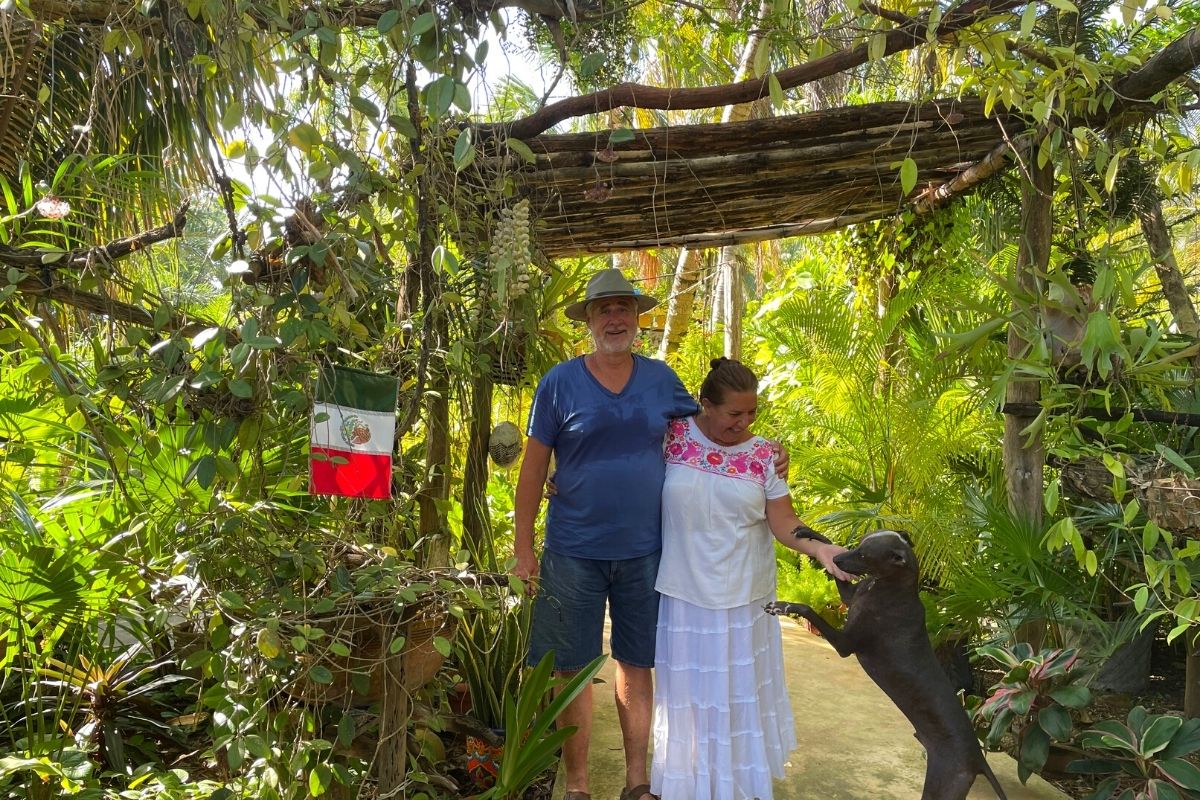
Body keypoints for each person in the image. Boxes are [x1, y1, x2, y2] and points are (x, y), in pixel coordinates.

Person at [512, 268, 786, 800]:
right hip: (573, 550)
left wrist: (768, 449)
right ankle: (577, 786)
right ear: (588, 319)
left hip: (646, 551)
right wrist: (524, 550)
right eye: (603, 308)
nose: (615, 318)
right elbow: (531, 469)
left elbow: (716, 427)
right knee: (571, 670)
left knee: (636, 664)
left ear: (637, 317)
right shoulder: (559, 383)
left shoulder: (661, 379)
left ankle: (638, 782)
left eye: (624, 308)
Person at [651, 357, 852, 800]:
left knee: (737, 699)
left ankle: (735, 788)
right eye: (734, 414)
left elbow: (783, 521)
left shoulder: (763, 455)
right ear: (705, 404)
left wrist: (819, 547)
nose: (743, 424)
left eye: (752, 414)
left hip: (744, 599)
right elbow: (622, 463)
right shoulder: (674, 435)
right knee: (690, 701)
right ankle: (689, 786)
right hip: (684, 595)